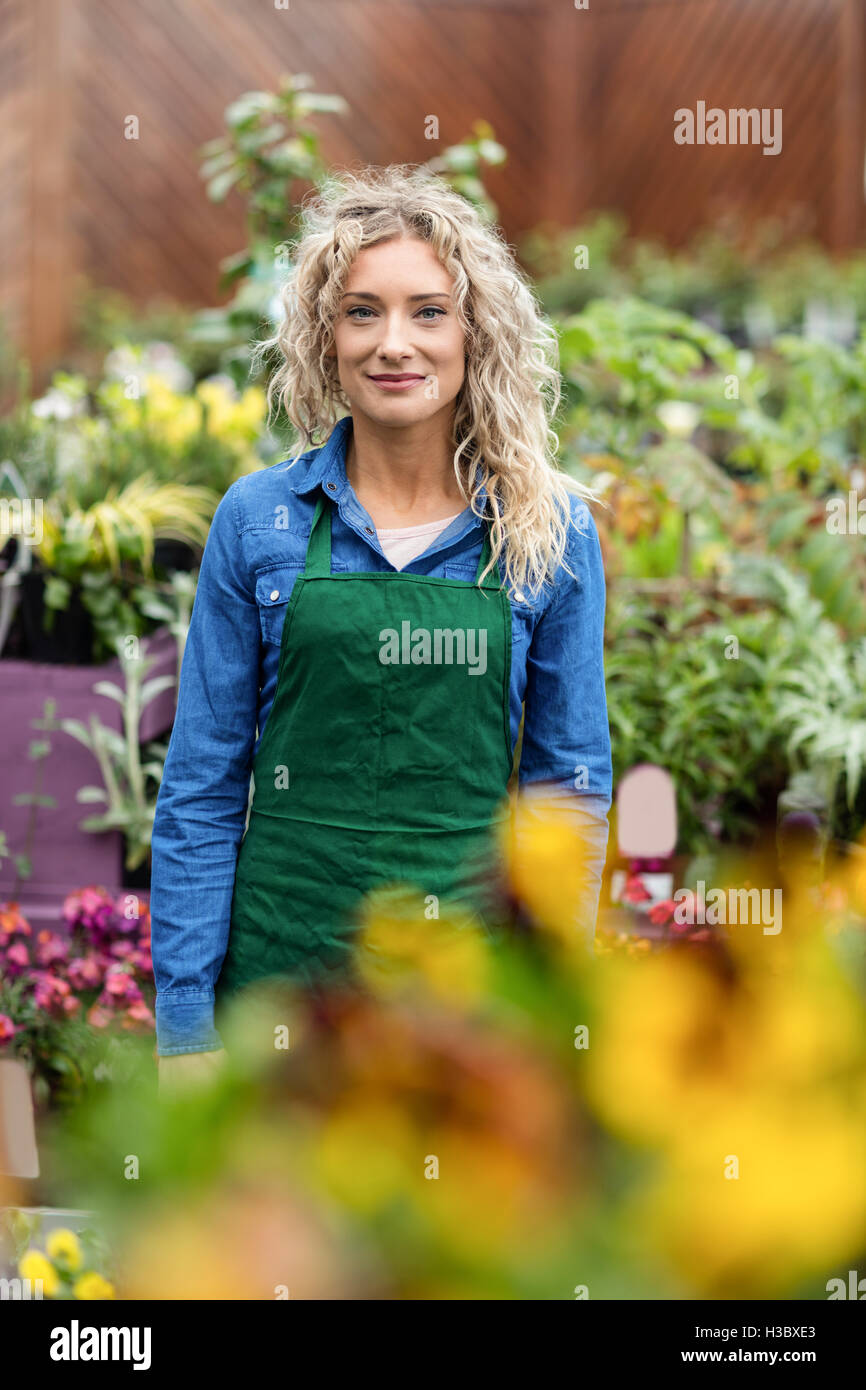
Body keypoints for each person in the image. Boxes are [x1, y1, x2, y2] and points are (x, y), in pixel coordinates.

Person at [151, 164, 612, 1091]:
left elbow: (567, 790)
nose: (394, 343)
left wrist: (553, 1013)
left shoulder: (547, 532)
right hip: (281, 990)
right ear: (326, 339)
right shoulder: (259, 522)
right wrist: (187, 1029)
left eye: (428, 312)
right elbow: (201, 789)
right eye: (362, 312)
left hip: (466, 1005)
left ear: (475, 333)